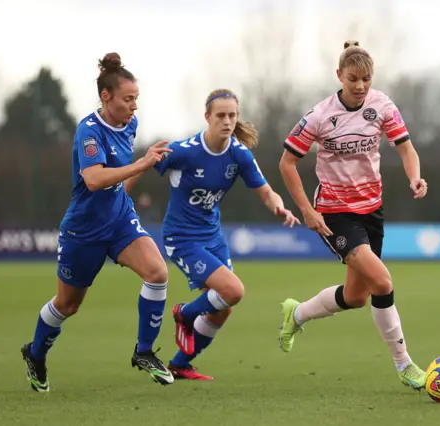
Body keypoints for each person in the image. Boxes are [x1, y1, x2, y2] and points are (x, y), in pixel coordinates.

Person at [277, 40, 429, 390]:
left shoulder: (382, 105)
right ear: (339, 76)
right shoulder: (319, 116)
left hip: (372, 209)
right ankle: (404, 364)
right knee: (383, 282)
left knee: (357, 297)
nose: (360, 86)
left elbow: (406, 148)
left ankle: (296, 313)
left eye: (366, 79)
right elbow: (287, 163)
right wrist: (308, 210)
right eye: (353, 79)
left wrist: (415, 176)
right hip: (335, 213)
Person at [21, 53, 175, 392]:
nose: (135, 106)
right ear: (106, 97)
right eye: (128, 99)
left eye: (137, 99)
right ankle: (35, 353)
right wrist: (141, 164)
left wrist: (134, 180)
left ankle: (144, 351)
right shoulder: (88, 131)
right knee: (68, 305)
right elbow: (93, 179)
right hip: (84, 231)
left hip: (120, 220)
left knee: (157, 272)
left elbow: (118, 181)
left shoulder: (129, 125)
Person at [154, 88, 300, 380]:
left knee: (223, 309)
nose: (227, 121)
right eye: (220, 115)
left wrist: (280, 208)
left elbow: (266, 192)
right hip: (181, 238)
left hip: (212, 237)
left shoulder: (239, 154)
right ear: (207, 117)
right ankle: (184, 313)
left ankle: (180, 364)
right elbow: (141, 167)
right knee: (233, 291)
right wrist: (119, 200)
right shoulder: (185, 151)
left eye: (232, 115)